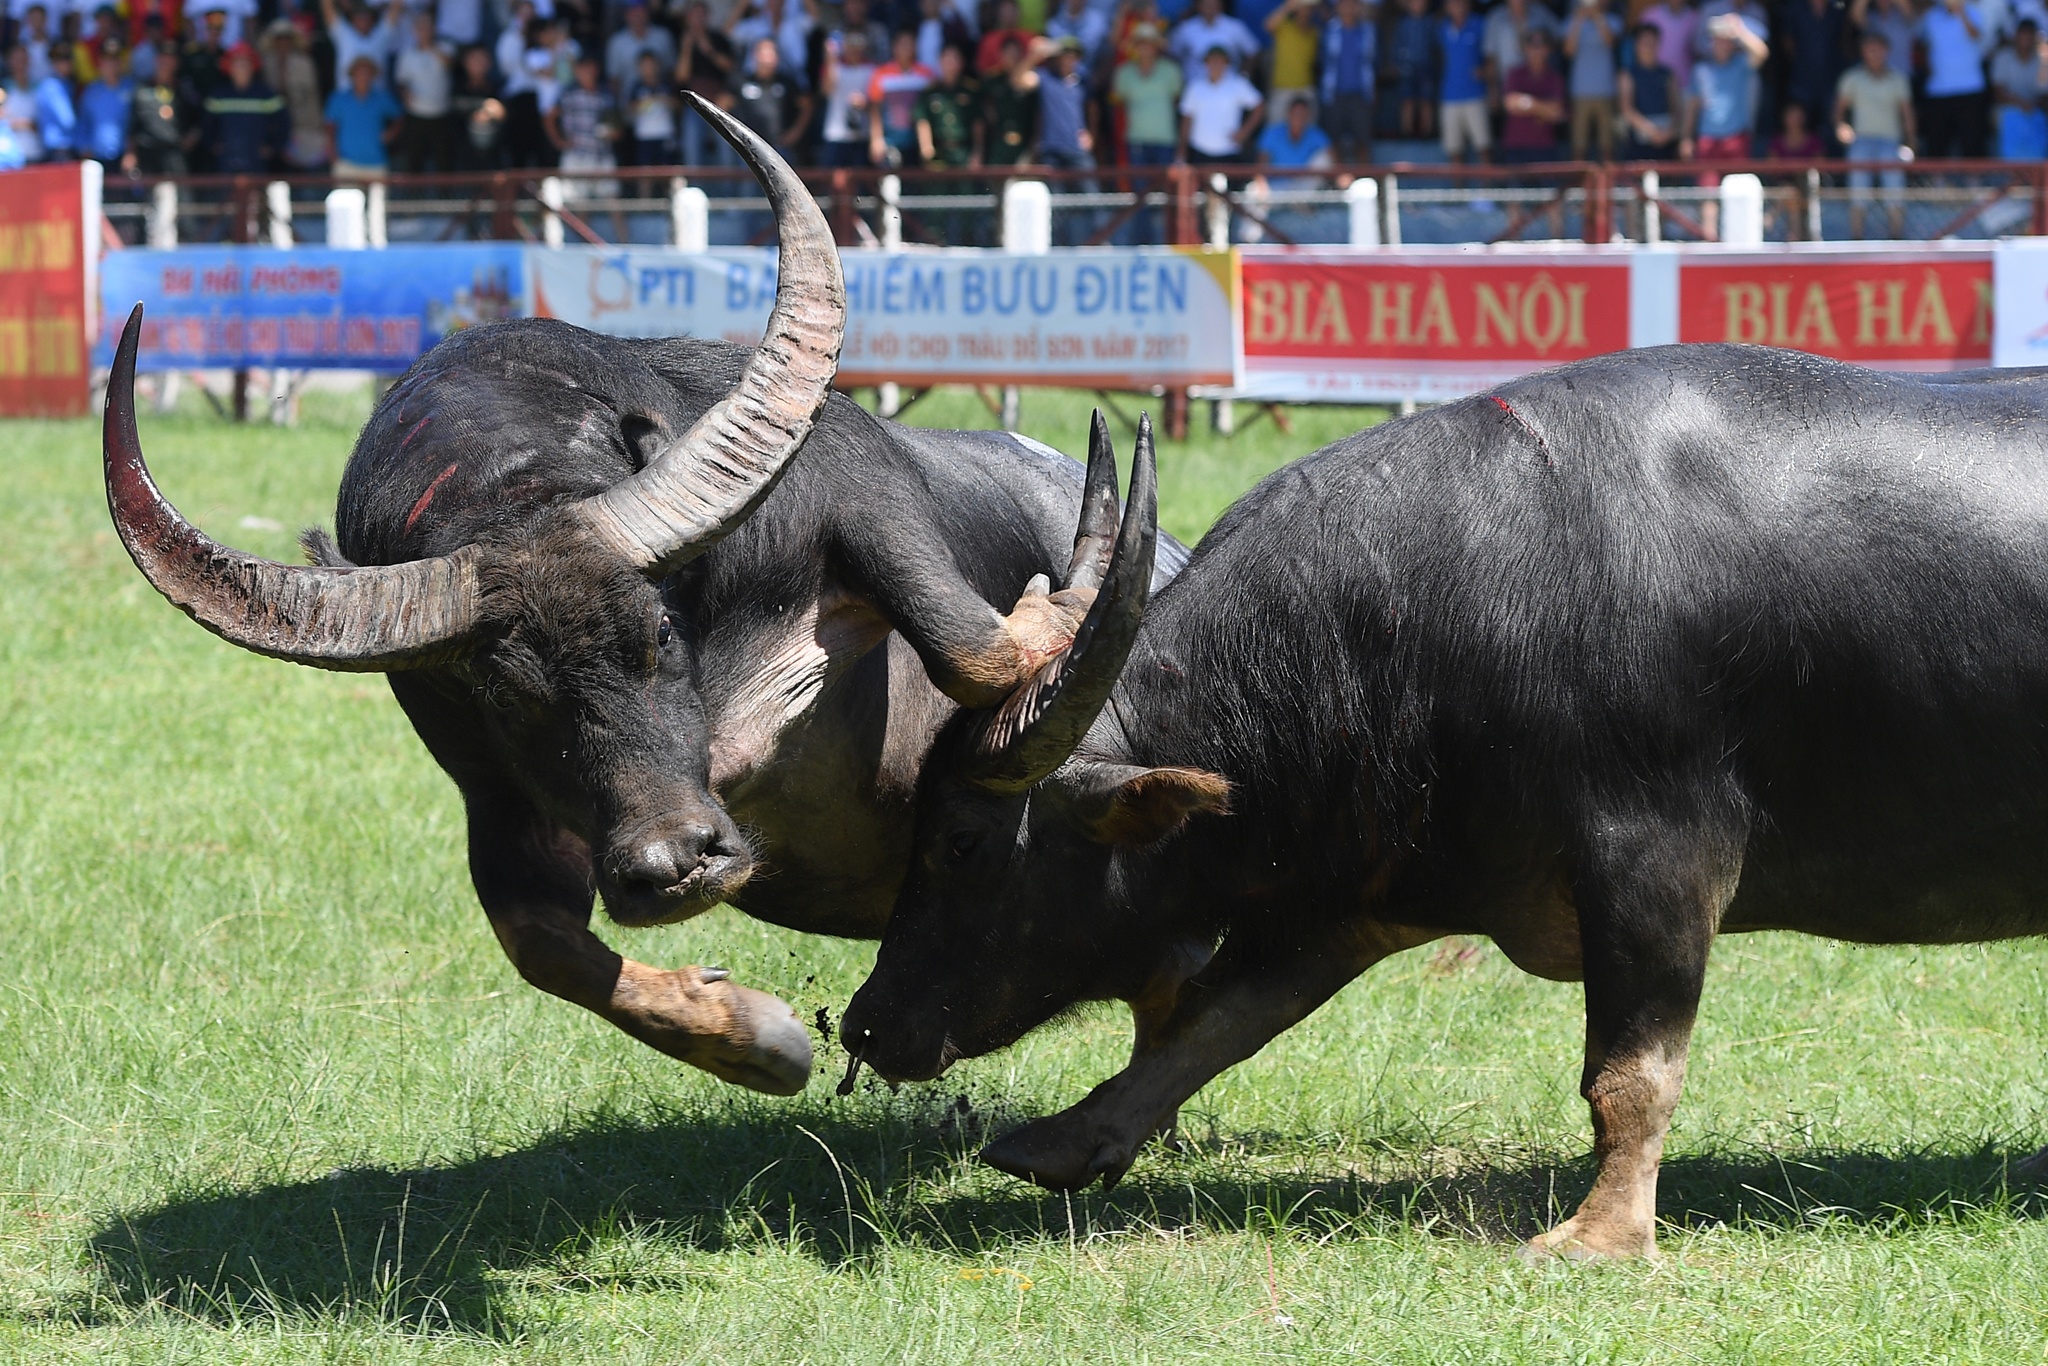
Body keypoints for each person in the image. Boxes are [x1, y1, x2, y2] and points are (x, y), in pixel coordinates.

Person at [1683, 12, 1766, 234]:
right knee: (1708, 194)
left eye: (1725, 39)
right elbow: (1692, 105)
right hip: (1707, 138)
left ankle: (1736, 239)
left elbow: (1761, 52)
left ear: (1732, 43)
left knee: (1737, 192)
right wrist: (1686, 137)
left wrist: (1739, 29)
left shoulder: (1741, 64)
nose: (1721, 43)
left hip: (1736, 136)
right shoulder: (1700, 70)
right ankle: (1709, 240)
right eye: (1717, 39)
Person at [1835, 26, 1914, 235]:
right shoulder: (1852, 78)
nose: (1874, 54)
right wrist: (1842, 128)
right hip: (1861, 141)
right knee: (1858, 188)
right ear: (1863, 52)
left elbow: (1907, 115)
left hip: (1891, 142)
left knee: (1894, 188)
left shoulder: (1898, 79)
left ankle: (1897, 237)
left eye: (1878, 49)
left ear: (1887, 51)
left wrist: (1910, 143)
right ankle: (1857, 238)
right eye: (1869, 49)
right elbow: (1839, 113)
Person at [1918, 0, 1989, 159]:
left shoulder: (1973, 12)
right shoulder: (1931, 16)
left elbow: (1975, 35)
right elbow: (1923, 43)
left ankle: (1974, 182)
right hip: (1938, 89)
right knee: (1937, 142)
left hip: (1970, 88)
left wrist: (1960, 11)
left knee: (1972, 142)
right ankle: (1936, 182)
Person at [205, 41, 285, 174]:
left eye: (245, 63)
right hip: (226, 163)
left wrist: (272, 147)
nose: (241, 68)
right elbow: (206, 124)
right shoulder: (218, 95)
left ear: (253, 66)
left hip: (257, 162)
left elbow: (283, 122)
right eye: (237, 63)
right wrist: (213, 145)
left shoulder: (265, 94)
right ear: (229, 67)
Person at [547, 52, 618, 199]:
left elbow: (616, 126)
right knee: (579, 204)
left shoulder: (606, 95)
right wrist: (559, 141)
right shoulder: (568, 93)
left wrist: (613, 133)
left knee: (612, 199)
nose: (588, 73)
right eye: (584, 69)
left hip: (602, 155)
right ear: (577, 71)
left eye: (591, 69)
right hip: (576, 156)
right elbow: (549, 117)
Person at [674, 1, 736, 167]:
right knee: (692, 151)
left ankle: (727, 192)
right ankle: (696, 188)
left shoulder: (718, 38)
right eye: (694, 16)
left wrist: (709, 49)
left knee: (725, 150)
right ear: (688, 19)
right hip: (694, 104)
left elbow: (730, 67)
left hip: (719, 103)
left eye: (702, 16)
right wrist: (687, 48)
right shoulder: (682, 41)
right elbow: (681, 77)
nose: (698, 20)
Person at [1177, 42, 1261, 165]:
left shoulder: (1238, 85)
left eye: (1220, 60)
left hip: (1229, 152)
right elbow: (1186, 119)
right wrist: (1182, 150)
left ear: (1227, 64)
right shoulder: (1195, 87)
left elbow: (1259, 107)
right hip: (1199, 151)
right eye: (1212, 60)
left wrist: (1244, 132)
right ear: (1206, 63)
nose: (1216, 64)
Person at [393, 9, 455, 172]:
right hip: (415, 114)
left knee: (443, 161)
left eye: (427, 26)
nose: (423, 30)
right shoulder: (407, 54)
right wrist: (405, 93)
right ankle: (413, 196)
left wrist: (430, 47)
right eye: (420, 27)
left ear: (434, 28)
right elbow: (401, 81)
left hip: (441, 114)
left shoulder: (446, 47)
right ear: (414, 30)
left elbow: (450, 64)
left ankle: (445, 196)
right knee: (414, 160)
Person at [1114, 21, 1181, 166]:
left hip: (1165, 139)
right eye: (1140, 43)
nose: (1145, 48)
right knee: (1139, 187)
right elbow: (1121, 103)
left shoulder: (1171, 71)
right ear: (1135, 47)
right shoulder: (1124, 73)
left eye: (1149, 43)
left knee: (1164, 187)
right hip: (1136, 139)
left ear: (1156, 47)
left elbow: (1176, 100)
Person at [261, 21, 325, 170]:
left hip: (302, 124)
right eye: (279, 39)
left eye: (286, 38)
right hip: (275, 127)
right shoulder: (267, 64)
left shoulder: (304, 63)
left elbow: (310, 96)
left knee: (303, 167)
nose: (283, 43)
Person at [125, 43, 197, 173]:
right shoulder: (142, 90)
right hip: (148, 153)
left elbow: (199, 118)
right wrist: (130, 153)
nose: (165, 64)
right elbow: (133, 126)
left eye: (169, 60)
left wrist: (192, 137)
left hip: (175, 153)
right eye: (162, 60)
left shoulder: (185, 91)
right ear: (155, 61)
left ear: (176, 63)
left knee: (180, 191)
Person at [866, 27, 932, 166]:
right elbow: (875, 109)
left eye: (910, 44)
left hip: (918, 142)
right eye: (903, 44)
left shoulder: (926, 75)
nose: (906, 48)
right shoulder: (881, 74)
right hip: (890, 141)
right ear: (894, 47)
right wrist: (876, 139)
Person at [1500, 23, 1565, 163]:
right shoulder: (1515, 73)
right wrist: (1543, 108)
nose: (1536, 50)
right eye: (1532, 46)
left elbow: (1556, 112)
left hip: (1544, 148)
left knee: (1548, 186)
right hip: (1516, 147)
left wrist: (1527, 102)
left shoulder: (1555, 77)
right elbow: (1510, 104)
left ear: (1548, 50)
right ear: (1525, 48)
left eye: (1541, 46)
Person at [1564, 0, 1620, 161]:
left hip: (1606, 91)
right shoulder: (1572, 21)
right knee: (1579, 145)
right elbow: (1568, 51)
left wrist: (1596, 16)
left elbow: (1610, 42)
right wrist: (1578, 21)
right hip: (1580, 91)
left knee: (1607, 146)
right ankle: (1578, 184)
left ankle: (1608, 185)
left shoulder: (1612, 20)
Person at [730, 36, 808, 149]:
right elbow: (722, 106)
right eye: (765, 53)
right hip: (746, 147)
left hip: (779, 148)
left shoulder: (786, 82)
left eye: (772, 53)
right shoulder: (741, 82)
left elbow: (807, 105)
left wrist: (795, 132)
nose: (769, 58)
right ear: (755, 55)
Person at [1318, 0, 1372, 162]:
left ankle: (1365, 180)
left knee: (1363, 141)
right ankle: (1338, 184)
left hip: (1360, 94)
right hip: (1334, 95)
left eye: (1352, 4)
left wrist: (1372, 92)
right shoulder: (1329, 30)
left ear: (1358, 7)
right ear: (1337, 7)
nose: (1348, 7)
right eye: (1344, 3)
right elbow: (1321, 60)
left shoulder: (1368, 31)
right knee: (1334, 141)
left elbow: (1373, 62)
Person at [1617, 21, 1678, 158]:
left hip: (1666, 143)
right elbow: (1626, 109)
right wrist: (1651, 131)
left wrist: (1668, 131)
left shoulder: (1667, 74)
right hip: (1638, 145)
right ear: (1637, 45)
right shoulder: (1628, 75)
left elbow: (1675, 108)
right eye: (1645, 43)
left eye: (1653, 43)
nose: (1649, 48)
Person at [816, 27, 876, 165]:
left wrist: (864, 102)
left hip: (862, 133)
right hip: (836, 133)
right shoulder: (834, 67)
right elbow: (826, 90)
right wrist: (831, 59)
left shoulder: (871, 69)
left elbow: (876, 100)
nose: (854, 48)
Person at [1437, 0, 1488, 162]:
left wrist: (1487, 73)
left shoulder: (1480, 25)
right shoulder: (1442, 29)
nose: (1457, 4)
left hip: (1475, 95)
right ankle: (1457, 189)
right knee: (1454, 150)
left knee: (1484, 147)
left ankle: (1489, 189)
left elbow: (1491, 58)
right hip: (1449, 96)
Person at [980, 33, 1039, 165]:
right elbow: (985, 106)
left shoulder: (1029, 80)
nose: (1012, 57)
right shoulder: (992, 80)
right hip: (998, 143)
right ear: (1001, 55)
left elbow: (1036, 115)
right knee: (994, 183)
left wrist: (1034, 144)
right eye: (1008, 53)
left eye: (1015, 53)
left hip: (1023, 143)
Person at [1994, 18, 2048, 158]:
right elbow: (1999, 93)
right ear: (2015, 36)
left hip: (2036, 110)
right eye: (2022, 35)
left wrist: (2032, 106)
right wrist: (2021, 104)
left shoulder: (2043, 60)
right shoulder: (2003, 57)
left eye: (2030, 36)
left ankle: (2038, 168)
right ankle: (2009, 170)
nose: (2026, 40)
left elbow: (2044, 95)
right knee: (2003, 116)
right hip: (2008, 109)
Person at [1169, 0, 1259, 81]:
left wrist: (1244, 76)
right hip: (1194, 85)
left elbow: (1253, 51)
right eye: (1206, 4)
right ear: (1198, 5)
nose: (1210, 8)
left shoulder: (1235, 27)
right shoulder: (1186, 28)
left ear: (1221, 5)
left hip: (1229, 87)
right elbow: (1173, 54)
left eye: (1213, 4)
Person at [321, 0, 401, 89]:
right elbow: (328, 9)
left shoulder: (380, 36)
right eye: (359, 17)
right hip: (346, 96)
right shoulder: (344, 35)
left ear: (372, 19)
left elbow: (395, 10)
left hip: (377, 97)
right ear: (353, 19)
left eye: (366, 17)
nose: (362, 20)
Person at [449, 43, 506, 168]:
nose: (479, 64)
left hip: (492, 156)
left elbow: (503, 111)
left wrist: (494, 111)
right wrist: (486, 106)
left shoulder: (497, 86)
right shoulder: (457, 86)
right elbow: (456, 106)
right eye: (474, 59)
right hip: (462, 157)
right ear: (465, 62)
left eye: (482, 59)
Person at [604, 1, 675, 99]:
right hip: (629, 105)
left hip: (661, 100)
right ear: (626, 14)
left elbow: (671, 72)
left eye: (640, 10)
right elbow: (614, 79)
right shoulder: (616, 42)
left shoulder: (663, 37)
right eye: (632, 11)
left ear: (647, 12)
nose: (637, 15)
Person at [1386, 0, 1434, 140]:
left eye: (1421, 3)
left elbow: (1434, 46)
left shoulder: (1429, 23)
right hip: (1406, 67)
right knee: (1407, 100)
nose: (1418, 5)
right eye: (1414, 2)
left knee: (1426, 100)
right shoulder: (1403, 23)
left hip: (1425, 67)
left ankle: (1427, 131)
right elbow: (1397, 44)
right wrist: (1395, 62)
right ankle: (1406, 131)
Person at [625, 48, 676, 174]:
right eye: (645, 65)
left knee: (667, 171)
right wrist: (643, 103)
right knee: (644, 171)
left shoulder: (666, 84)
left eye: (651, 65)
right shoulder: (636, 86)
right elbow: (629, 109)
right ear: (639, 67)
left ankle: (669, 194)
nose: (649, 68)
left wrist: (665, 100)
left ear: (658, 65)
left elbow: (679, 106)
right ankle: (644, 195)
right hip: (644, 135)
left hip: (665, 134)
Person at [33, 42, 76, 159]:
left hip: (62, 149)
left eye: (67, 59)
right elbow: (67, 120)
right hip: (58, 150)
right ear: (53, 63)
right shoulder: (51, 86)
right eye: (59, 61)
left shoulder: (66, 84)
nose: (65, 64)